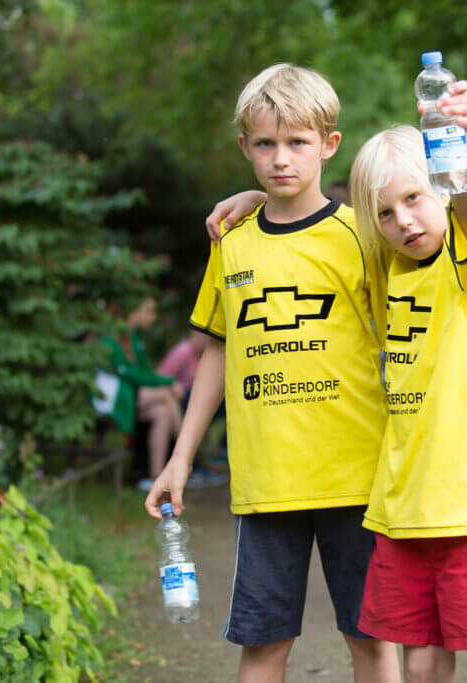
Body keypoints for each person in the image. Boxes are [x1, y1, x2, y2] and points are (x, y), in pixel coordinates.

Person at [143, 63, 400, 683]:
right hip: (266, 483)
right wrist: (181, 457)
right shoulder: (231, 242)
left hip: (358, 477)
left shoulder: (364, 233)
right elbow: (217, 350)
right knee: (262, 647)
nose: (280, 159)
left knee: (371, 643)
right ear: (245, 148)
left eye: (297, 143)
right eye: (265, 144)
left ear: (329, 145)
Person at [349, 89, 467, 682]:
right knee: (421, 664)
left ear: (440, 190)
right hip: (403, 512)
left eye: (414, 198)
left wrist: (450, 133)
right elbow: (314, 225)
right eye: (385, 212)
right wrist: (256, 197)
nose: (403, 219)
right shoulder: (386, 270)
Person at [101, 297, 185, 490]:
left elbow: (145, 373)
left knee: (162, 413)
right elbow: (131, 375)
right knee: (166, 395)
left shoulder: (135, 339)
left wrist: (164, 382)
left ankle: (156, 476)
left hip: (133, 396)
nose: (152, 317)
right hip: (118, 398)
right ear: (133, 312)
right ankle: (185, 457)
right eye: (148, 311)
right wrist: (168, 382)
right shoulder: (112, 339)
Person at [157, 330, 209, 404]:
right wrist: (173, 383)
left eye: (207, 337)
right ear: (193, 333)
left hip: (198, 393)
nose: (205, 340)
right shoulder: (183, 351)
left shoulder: (206, 354)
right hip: (184, 394)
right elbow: (162, 375)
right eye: (203, 336)